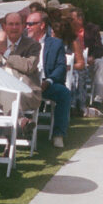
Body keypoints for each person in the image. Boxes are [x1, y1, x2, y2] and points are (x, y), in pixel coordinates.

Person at [26, 10, 71, 148]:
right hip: (26, 83)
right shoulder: (24, 43)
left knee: (64, 93)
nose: (27, 27)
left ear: (42, 25)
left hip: (46, 84)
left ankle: (58, 134)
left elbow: (61, 67)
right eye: (26, 24)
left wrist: (49, 81)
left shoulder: (55, 43)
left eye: (31, 24)